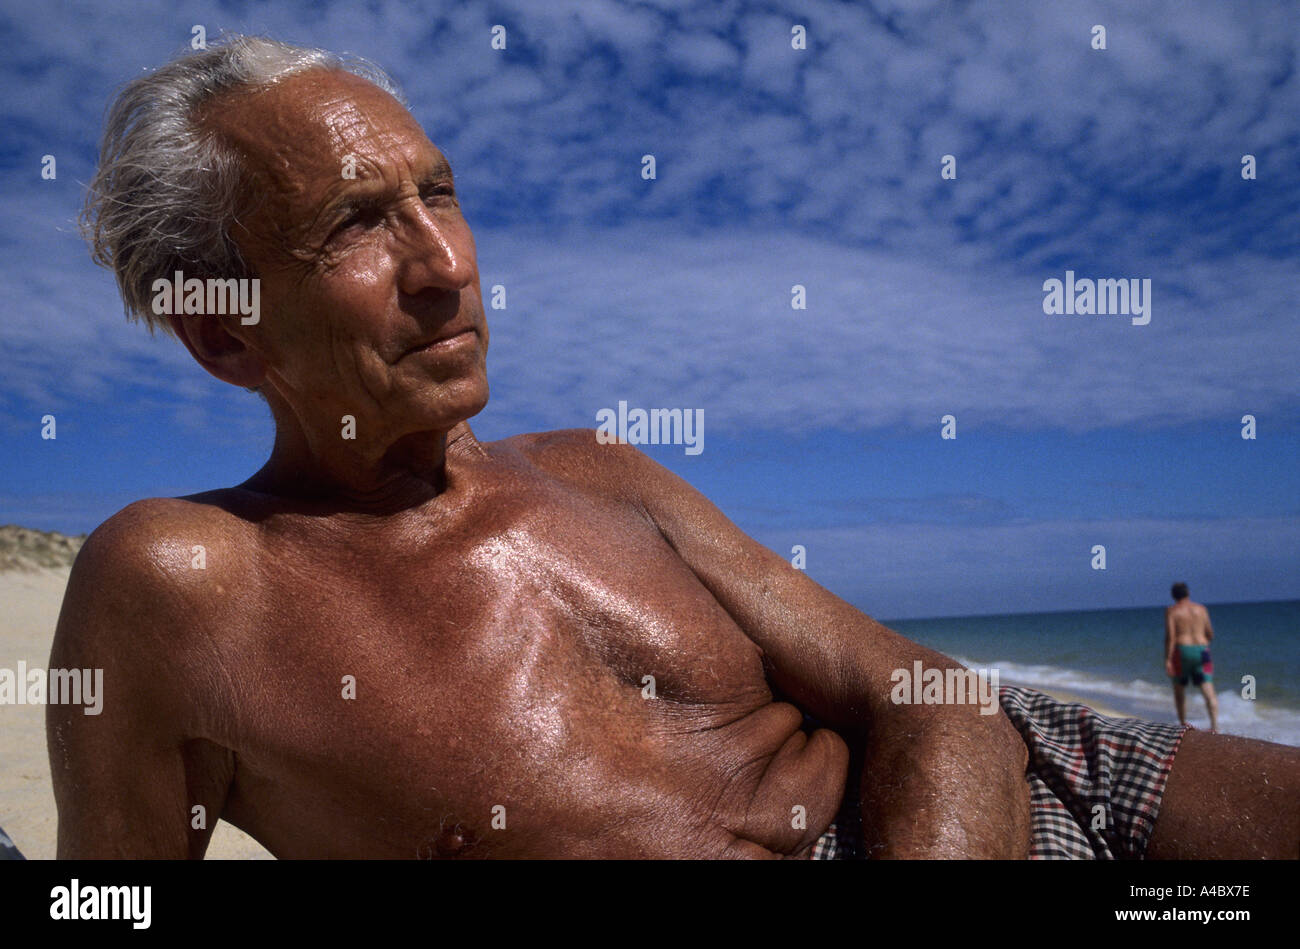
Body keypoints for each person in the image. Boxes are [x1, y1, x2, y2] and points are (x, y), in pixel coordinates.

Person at [49, 35, 1299, 860]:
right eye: (357, 225)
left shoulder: (598, 471)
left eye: (440, 191)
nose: (447, 264)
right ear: (225, 334)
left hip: (1005, 792)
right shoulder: (183, 581)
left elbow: (931, 697)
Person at [1165, 582, 1220, 734]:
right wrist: (1202, 645)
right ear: (1188, 593)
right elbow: (1210, 634)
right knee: (1208, 690)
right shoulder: (1201, 609)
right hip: (1202, 650)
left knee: (1179, 690)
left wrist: (1168, 659)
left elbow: (1171, 637)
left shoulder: (1172, 611)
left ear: (1173, 595)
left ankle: (1183, 724)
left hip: (1181, 651)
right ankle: (1215, 726)